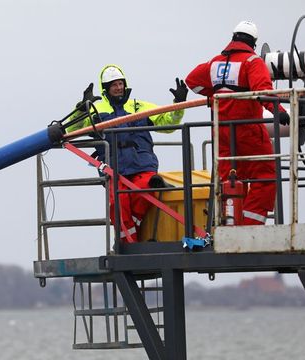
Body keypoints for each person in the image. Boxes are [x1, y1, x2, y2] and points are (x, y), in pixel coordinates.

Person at [66, 64, 188, 243]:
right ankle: (127, 246)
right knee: (119, 206)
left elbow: (168, 122)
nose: (118, 87)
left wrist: (179, 105)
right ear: (106, 88)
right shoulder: (96, 110)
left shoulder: (139, 106)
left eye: (120, 83)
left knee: (147, 188)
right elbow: (69, 129)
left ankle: (132, 239)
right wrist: (81, 109)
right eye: (113, 85)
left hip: (143, 165)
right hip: (114, 170)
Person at [185, 20, 290, 226]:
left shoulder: (215, 63)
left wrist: (213, 95)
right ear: (253, 42)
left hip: (222, 133)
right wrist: (278, 111)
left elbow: (192, 81)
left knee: (229, 181)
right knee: (265, 178)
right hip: (248, 130)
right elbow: (263, 91)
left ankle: (229, 225)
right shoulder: (252, 61)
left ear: (233, 38)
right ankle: (250, 227)